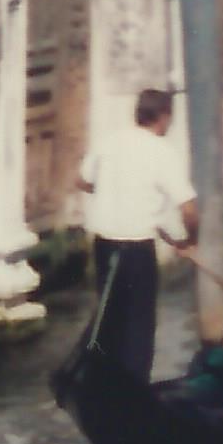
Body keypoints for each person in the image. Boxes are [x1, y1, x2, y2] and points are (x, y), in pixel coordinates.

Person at [76, 88, 197, 383]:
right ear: (164, 117)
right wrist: (190, 242)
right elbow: (189, 209)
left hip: (104, 244)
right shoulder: (162, 151)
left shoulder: (110, 142)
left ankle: (105, 383)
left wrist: (109, 193)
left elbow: (82, 181)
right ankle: (134, 387)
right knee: (138, 326)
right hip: (136, 249)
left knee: (110, 318)